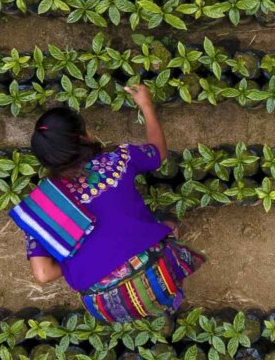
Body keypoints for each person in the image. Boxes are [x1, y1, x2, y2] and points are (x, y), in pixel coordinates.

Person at [12, 85, 204, 322]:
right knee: (170, 225)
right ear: (83, 137)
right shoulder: (116, 161)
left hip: (107, 307)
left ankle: (145, 307)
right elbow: (159, 154)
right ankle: (166, 296)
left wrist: (80, 252)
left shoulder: (42, 207)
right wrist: (145, 105)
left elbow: (43, 274)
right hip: (158, 277)